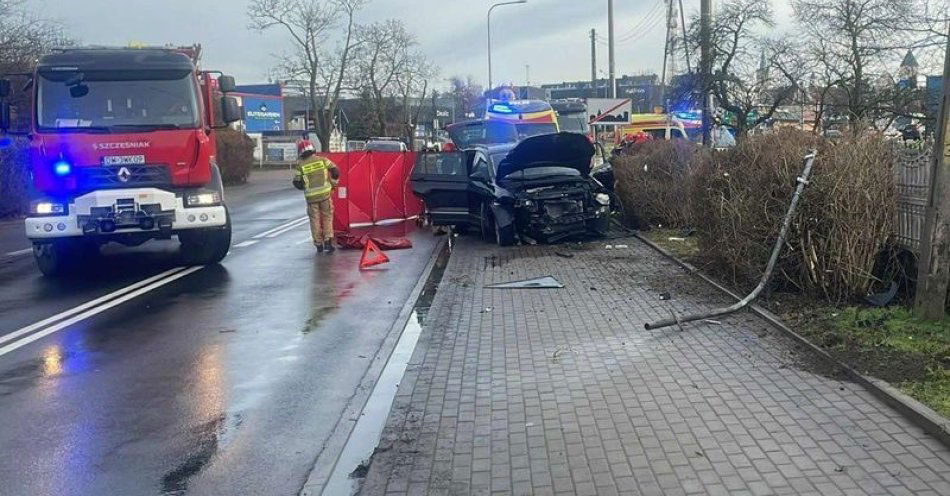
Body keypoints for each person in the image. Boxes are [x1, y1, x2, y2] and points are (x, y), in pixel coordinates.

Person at [293, 140, 340, 253]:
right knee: (327, 217)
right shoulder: (322, 160)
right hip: (325, 195)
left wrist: (306, 187)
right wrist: (334, 182)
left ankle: (318, 244)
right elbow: (335, 171)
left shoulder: (300, 166)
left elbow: (297, 183)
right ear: (313, 148)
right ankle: (328, 241)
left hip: (311, 198)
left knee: (314, 220)